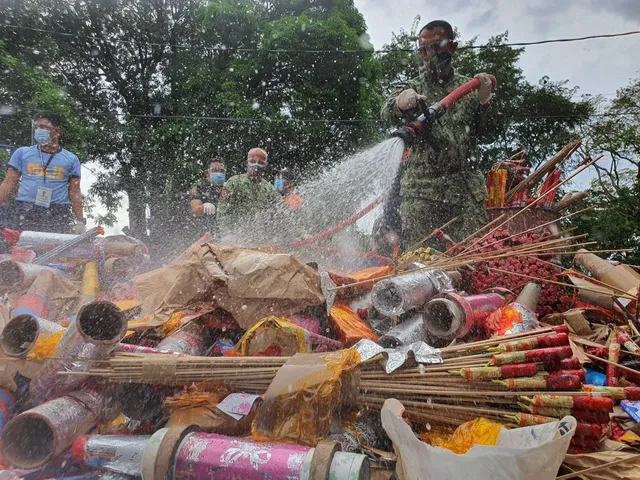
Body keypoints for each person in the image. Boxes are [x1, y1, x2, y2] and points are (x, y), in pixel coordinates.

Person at [381, 20, 498, 248]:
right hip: (422, 194)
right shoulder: (412, 87)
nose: (428, 55)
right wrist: (400, 103)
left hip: (465, 194)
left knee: (473, 260)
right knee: (419, 263)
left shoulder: (470, 88)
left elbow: (489, 134)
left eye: (434, 47)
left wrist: (486, 103)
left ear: (451, 47)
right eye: (422, 50)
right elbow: (387, 113)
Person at [0, 112, 85, 234]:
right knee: (21, 247)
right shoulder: (22, 153)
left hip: (57, 211)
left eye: (44, 127)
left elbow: (75, 192)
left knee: (55, 249)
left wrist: (80, 220)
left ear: (56, 131)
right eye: (37, 127)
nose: (39, 131)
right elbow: (8, 184)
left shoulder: (71, 159)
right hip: (26, 208)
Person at [217, 148, 281, 223]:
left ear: (265, 165)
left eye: (260, 162)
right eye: (253, 161)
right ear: (247, 163)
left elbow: (279, 213)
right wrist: (227, 233)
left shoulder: (270, 190)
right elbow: (222, 211)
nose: (256, 165)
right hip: (235, 230)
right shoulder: (234, 183)